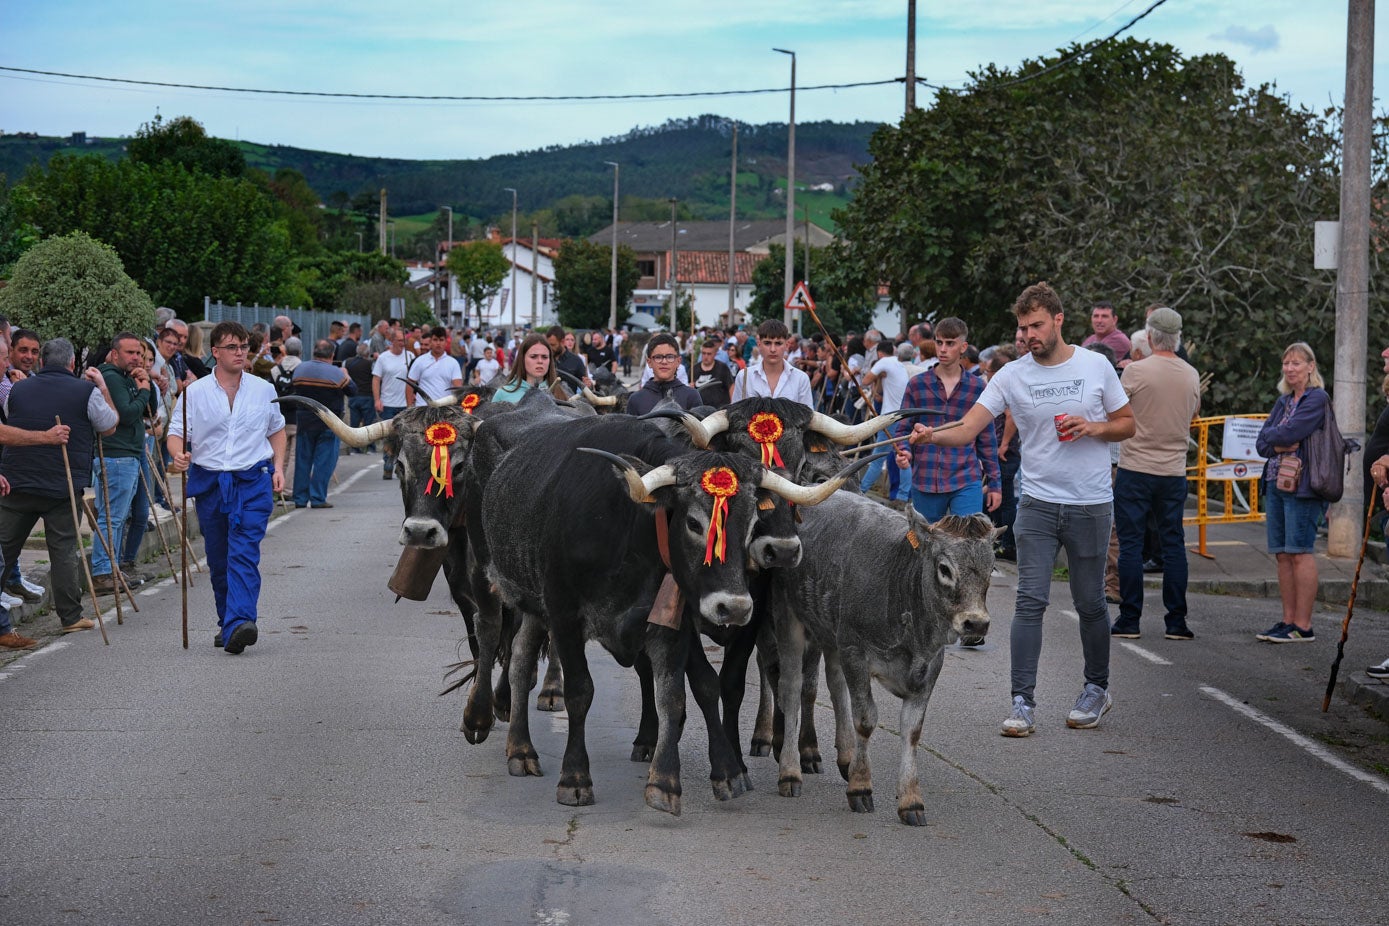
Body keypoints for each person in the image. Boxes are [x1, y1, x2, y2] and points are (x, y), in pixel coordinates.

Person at [904, 283, 1133, 736]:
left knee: (1090, 602)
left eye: (1037, 325)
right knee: (1030, 601)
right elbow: (968, 427)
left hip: (1090, 503)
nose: (1029, 334)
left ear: (1058, 320)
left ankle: (1096, 688)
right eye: (1023, 327)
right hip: (1037, 503)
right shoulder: (1010, 375)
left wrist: (1092, 427)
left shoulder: (1096, 365)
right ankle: (1022, 702)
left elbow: (1126, 424)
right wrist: (929, 435)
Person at [167, 322, 287, 655]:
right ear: (215, 352)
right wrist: (179, 456)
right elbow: (175, 433)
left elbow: (276, 430)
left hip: (253, 481)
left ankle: (241, 622)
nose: (239, 352)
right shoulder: (195, 392)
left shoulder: (263, 389)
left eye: (244, 346)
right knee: (219, 559)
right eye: (232, 347)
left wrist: (278, 468)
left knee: (244, 553)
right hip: (211, 483)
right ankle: (228, 622)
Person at [0, 338, 118, 643]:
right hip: (62, 486)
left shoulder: (17, 388)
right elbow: (108, 426)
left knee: (4, 549)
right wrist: (103, 389)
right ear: (71, 364)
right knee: (64, 550)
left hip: (17, 481)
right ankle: (71, 617)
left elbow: (10, 416)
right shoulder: (86, 391)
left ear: (42, 361)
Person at [1109, 307, 1201, 641]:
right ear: (1177, 339)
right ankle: (1176, 621)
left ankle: (1129, 618)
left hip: (1136, 467)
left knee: (1131, 544)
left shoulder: (1135, 372)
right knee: (1173, 543)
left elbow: (1115, 412)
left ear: (1149, 336)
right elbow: (1194, 412)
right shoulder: (1190, 375)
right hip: (1173, 470)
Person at [1253, 342, 1330, 644]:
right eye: (1286, 363)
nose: (1290, 368)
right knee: (1283, 555)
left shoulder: (1317, 398)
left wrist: (1278, 440)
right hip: (1276, 482)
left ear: (1311, 366)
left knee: (1300, 553)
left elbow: (1287, 433)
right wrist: (1279, 443)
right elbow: (1262, 442)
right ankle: (1287, 621)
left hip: (1304, 486)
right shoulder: (1284, 401)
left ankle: (1304, 625)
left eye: (1296, 363)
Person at [893, 317, 1001, 520]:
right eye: (939, 342)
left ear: (963, 347)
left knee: (968, 542)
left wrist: (995, 484)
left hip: (966, 477)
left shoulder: (978, 387)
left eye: (950, 343)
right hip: (925, 477)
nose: (942, 349)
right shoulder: (917, 384)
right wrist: (904, 452)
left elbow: (987, 440)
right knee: (925, 543)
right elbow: (902, 430)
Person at [89, 332, 153, 596]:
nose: (136, 357)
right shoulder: (112, 378)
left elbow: (146, 409)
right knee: (112, 518)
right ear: (115, 354)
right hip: (117, 456)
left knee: (117, 517)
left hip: (127, 454)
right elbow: (126, 415)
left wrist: (144, 386)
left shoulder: (125, 377)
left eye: (138, 353)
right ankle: (104, 571)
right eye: (130, 353)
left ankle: (112, 568)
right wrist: (144, 391)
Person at [290, 339, 355, 509]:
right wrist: (345, 374)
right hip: (329, 421)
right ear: (332, 355)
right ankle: (318, 498)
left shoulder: (300, 369)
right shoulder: (336, 373)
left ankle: (300, 498)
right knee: (324, 461)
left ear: (313, 352)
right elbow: (352, 391)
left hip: (304, 419)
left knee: (303, 460)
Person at [859, 339, 912, 507]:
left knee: (878, 457)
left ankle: (860, 491)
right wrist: (880, 378)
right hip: (901, 415)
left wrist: (875, 375)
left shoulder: (884, 362)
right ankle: (903, 497)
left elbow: (865, 381)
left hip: (891, 417)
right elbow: (880, 391)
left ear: (879, 353)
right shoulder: (897, 364)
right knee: (902, 455)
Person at [984, 345, 1020, 561]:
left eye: (987, 372)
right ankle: (1000, 541)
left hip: (1005, 452)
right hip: (1000, 451)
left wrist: (1003, 444)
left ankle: (1007, 544)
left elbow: (1011, 416)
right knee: (999, 498)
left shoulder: (1004, 388)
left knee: (1004, 499)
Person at [731, 319, 815, 408]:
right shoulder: (744, 376)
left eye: (778, 343)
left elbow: (807, 417)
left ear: (786, 345)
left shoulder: (801, 379)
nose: (773, 349)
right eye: (767, 343)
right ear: (759, 345)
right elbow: (735, 414)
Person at [627, 333, 703, 416]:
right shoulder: (636, 399)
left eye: (670, 357)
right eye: (658, 357)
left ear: (678, 361)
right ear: (649, 362)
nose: (664, 362)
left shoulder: (691, 396)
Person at [371, 329, 410, 480]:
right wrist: (377, 399)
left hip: (405, 404)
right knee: (389, 437)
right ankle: (387, 465)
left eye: (404, 340)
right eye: (399, 340)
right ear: (392, 341)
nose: (402, 343)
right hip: (387, 403)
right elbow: (376, 379)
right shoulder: (383, 358)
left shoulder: (409, 356)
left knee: (404, 438)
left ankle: (401, 467)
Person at [493, 333, 557, 404]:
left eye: (544, 357)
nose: (540, 361)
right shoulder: (503, 394)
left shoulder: (559, 393)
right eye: (533, 356)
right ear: (522, 359)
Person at [405, 330, 462, 406]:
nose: (438, 343)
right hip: (422, 408)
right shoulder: (420, 361)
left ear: (446, 342)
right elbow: (410, 384)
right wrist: (409, 407)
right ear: (431, 342)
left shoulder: (453, 363)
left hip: (445, 409)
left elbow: (458, 388)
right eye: (435, 340)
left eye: (441, 340)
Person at [344, 342, 377, 454]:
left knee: (354, 424)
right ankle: (370, 448)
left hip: (353, 397)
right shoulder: (370, 363)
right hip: (367, 396)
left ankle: (354, 448)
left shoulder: (348, 362)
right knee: (369, 424)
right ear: (367, 353)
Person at [689, 337, 736, 408]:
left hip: (720, 409)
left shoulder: (722, 368)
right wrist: (689, 388)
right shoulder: (693, 370)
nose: (706, 356)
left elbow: (731, 386)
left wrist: (733, 405)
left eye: (709, 354)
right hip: (699, 410)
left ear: (715, 354)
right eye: (704, 353)